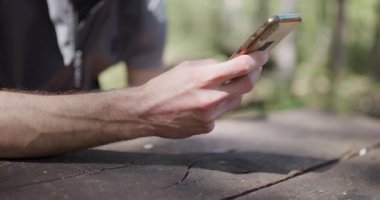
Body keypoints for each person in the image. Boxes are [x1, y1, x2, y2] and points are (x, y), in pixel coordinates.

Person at [0, 0, 268, 158]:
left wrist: (180, 103)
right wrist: (143, 108)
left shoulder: (145, 7)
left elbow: (151, 123)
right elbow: (147, 108)